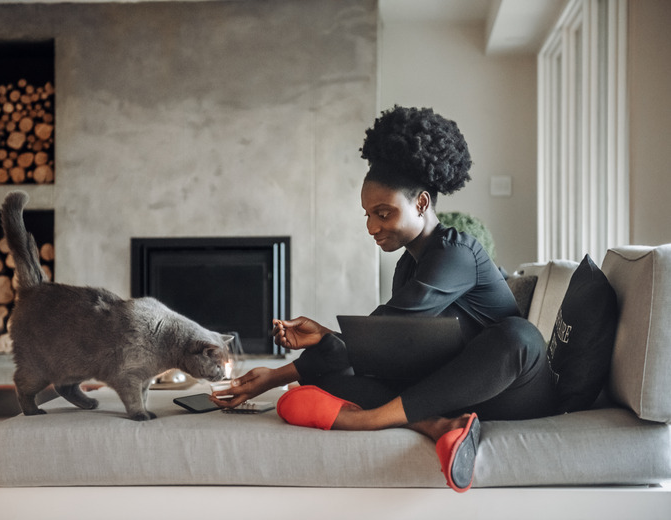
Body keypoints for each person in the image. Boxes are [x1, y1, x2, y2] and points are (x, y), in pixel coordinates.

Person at [211, 106, 556, 492]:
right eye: (367, 215)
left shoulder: (455, 252)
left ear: (421, 204)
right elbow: (386, 347)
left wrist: (287, 368)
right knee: (315, 387)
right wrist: (279, 374)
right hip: (452, 391)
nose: (372, 227)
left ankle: (373, 419)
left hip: (513, 391)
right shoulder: (407, 265)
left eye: (383, 213)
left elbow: (378, 331)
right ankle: (438, 424)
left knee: (518, 336)